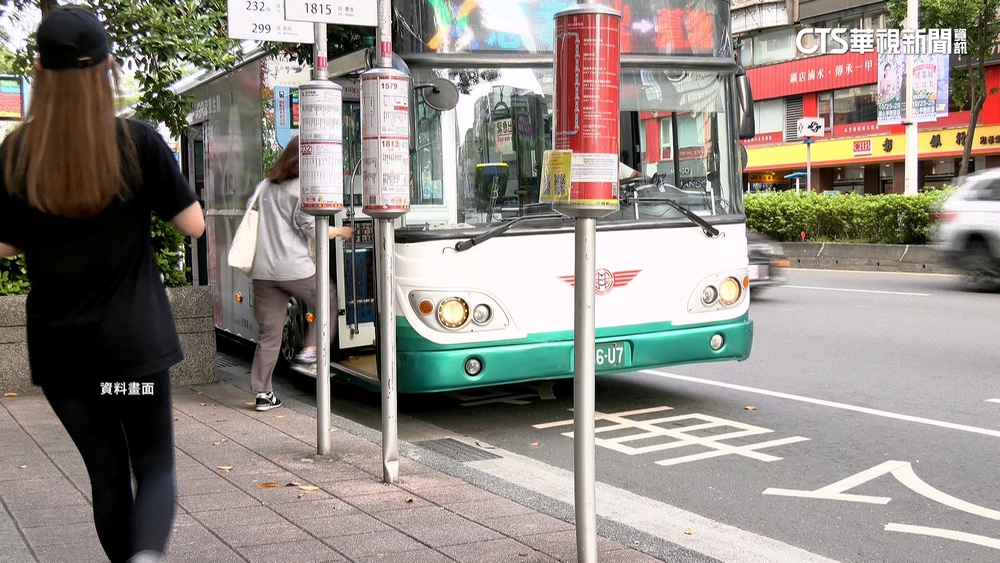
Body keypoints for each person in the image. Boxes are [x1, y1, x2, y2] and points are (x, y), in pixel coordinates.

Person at [0, 7, 204, 563]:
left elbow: (5, 244)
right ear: (110, 66)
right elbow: (192, 224)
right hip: (132, 350)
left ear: (38, 68)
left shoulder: (17, 153)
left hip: (66, 359)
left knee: (107, 474)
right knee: (154, 467)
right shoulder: (137, 143)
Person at [248, 136, 353, 412]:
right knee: (328, 301)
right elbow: (310, 228)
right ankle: (310, 354)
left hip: (263, 270)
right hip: (293, 266)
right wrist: (338, 231)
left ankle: (263, 393)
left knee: (269, 334)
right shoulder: (300, 189)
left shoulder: (264, 186)